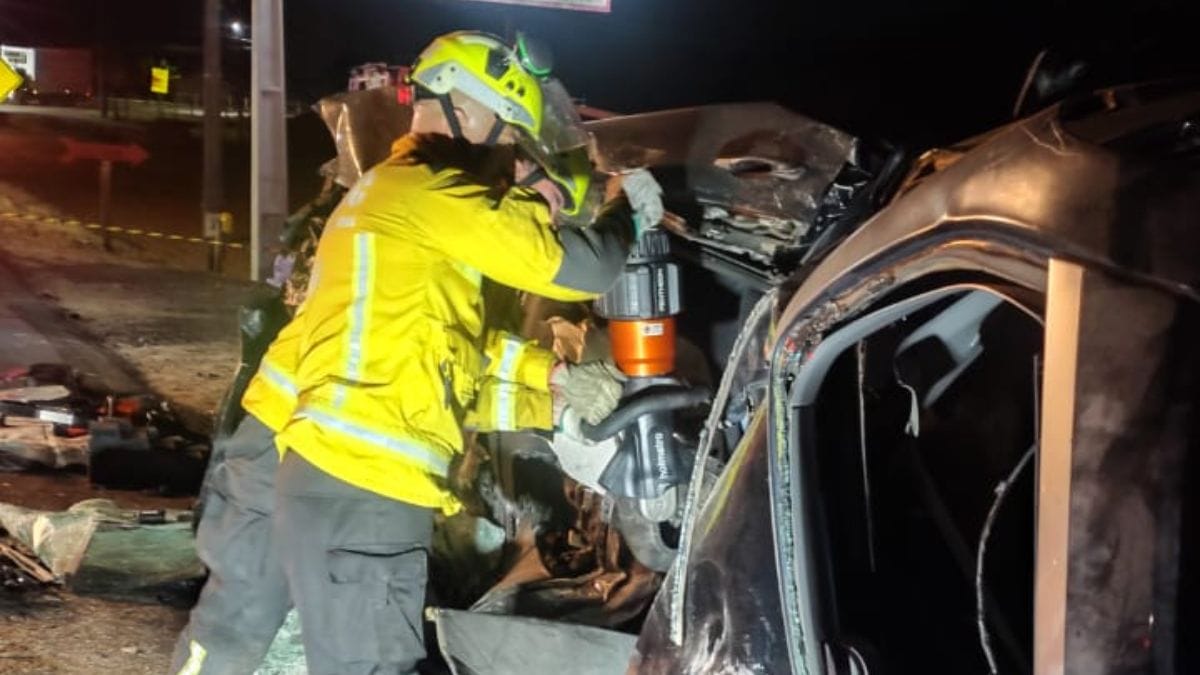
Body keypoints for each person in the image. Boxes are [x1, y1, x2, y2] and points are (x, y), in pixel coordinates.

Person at [172, 30, 661, 674]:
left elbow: (445, 361)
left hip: (298, 456)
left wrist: (556, 380)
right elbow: (584, 269)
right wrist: (628, 214)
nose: (517, 176)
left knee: (230, 630)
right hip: (359, 484)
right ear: (475, 112)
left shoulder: (393, 196)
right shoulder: (431, 193)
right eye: (513, 143)